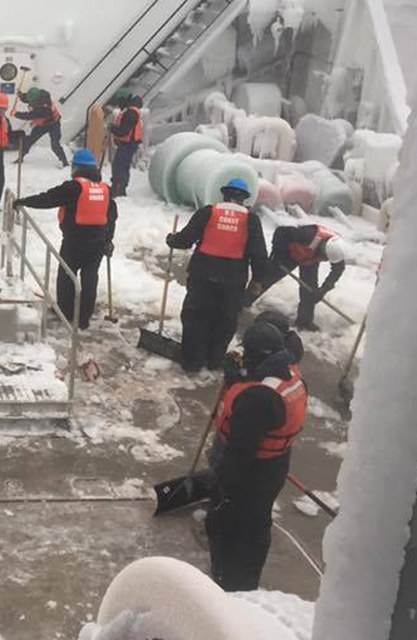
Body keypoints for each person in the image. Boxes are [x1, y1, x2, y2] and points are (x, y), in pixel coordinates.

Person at [206, 320, 307, 592]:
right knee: (257, 522)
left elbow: (240, 452)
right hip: (274, 465)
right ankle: (244, 577)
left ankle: (230, 583)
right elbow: (261, 385)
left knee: (229, 527)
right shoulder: (287, 371)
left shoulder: (258, 399)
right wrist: (237, 377)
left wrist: (222, 487)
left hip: (252, 472)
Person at [166, 179, 269, 372]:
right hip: (233, 280)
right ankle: (214, 360)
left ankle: (192, 361)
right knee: (225, 318)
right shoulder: (251, 219)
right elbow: (259, 252)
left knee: (195, 316)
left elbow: (186, 239)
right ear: (243, 199)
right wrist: (258, 279)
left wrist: (172, 239)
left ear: (224, 194)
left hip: (202, 275)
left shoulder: (209, 212)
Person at [12, 149, 117, 329]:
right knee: (90, 279)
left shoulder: (74, 187)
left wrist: (23, 201)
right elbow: (111, 217)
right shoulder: (105, 190)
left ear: (77, 168)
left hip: (74, 242)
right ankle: (84, 318)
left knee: (67, 276)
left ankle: (66, 312)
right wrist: (108, 240)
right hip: (97, 243)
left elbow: (48, 199)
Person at [246, 224, 347, 331]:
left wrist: (324, 289)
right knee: (266, 278)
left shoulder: (337, 250)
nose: (325, 259)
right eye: (325, 256)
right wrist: (278, 254)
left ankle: (304, 321)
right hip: (289, 253)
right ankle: (244, 300)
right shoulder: (307, 235)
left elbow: (337, 270)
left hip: (310, 260)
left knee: (310, 291)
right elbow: (280, 232)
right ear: (323, 248)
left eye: (327, 259)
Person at [12, 88, 68, 167]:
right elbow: (28, 98)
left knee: (55, 144)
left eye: (32, 101)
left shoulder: (43, 108)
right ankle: (21, 157)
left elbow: (29, 116)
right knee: (30, 140)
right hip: (42, 124)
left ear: (36, 100)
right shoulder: (40, 95)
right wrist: (21, 95)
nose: (30, 102)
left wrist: (16, 114)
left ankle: (64, 162)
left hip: (54, 124)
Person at [109, 93, 144, 197]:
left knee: (119, 166)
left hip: (128, 144)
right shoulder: (131, 112)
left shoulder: (130, 114)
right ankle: (119, 187)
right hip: (129, 144)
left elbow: (124, 131)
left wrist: (112, 128)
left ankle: (118, 188)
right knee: (122, 166)